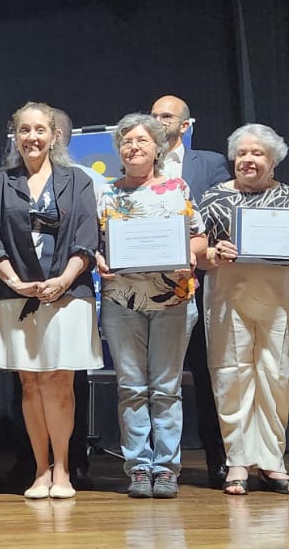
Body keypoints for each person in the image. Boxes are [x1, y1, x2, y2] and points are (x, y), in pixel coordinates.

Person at [0, 102, 101, 500]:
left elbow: (87, 235)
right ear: (15, 136)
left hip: (67, 297)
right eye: (24, 130)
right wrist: (15, 282)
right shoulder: (0, 182)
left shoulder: (77, 180)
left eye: (39, 130)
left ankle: (63, 469)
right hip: (16, 296)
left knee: (60, 382)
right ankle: (39, 470)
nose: (32, 138)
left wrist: (64, 280)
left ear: (55, 136)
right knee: (30, 384)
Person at [93, 113, 206, 499]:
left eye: (142, 140)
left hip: (173, 300)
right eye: (126, 141)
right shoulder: (106, 193)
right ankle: (139, 468)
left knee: (166, 389)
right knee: (131, 388)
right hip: (121, 301)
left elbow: (200, 240)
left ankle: (167, 469)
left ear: (157, 147)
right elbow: (92, 245)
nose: (134, 147)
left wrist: (189, 256)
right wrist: (98, 259)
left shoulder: (177, 188)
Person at [196, 123, 289, 496]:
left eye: (257, 153)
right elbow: (197, 253)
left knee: (276, 376)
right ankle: (238, 462)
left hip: (278, 296)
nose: (248, 160)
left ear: (274, 160)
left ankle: (273, 462)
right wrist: (213, 254)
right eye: (242, 153)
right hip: (228, 294)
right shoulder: (212, 198)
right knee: (231, 376)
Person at [151, 94, 232, 488]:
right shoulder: (136, 162)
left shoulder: (211, 163)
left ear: (186, 125)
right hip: (148, 285)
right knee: (154, 378)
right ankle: (153, 463)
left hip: (200, 281)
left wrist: (203, 251)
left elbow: (220, 213)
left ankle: (218, 459)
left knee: (206, 374)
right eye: (153, 116)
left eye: (166, 116)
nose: (158, 121)